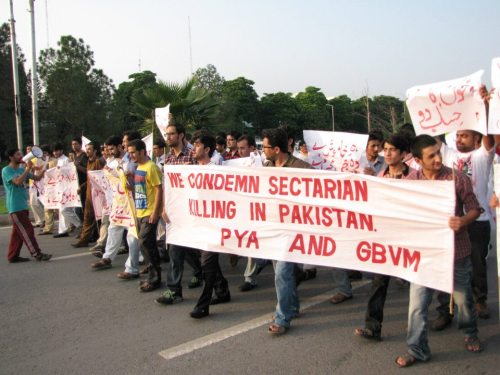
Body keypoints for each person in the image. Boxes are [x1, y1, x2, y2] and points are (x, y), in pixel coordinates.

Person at [395, 135, 482, 368]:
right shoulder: (411, 183)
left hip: (457, 251)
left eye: (438, 153)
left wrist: (462, 221)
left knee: (463, 300)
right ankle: (417, 348)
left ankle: (470, 332)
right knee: (417, 305)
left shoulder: (456, 178)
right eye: (431, 155)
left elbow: (475, 209)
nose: (437, 159)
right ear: (417, 160)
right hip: (424, 255)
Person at [354, 134, 413, 341]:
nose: (387, 153)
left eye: (392, 150)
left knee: (420, 287)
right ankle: (372, 326)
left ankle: (442, 312)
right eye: (385, 149)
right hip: (386, 238)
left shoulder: (416, 177)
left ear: (404, 154)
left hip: (411, 239)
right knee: (378, 283)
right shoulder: (379, 177)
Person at [435, 126, 496, 323]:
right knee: (449, 264)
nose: (460, 139)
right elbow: (430, 132)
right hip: (452, 221)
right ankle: (447, 306)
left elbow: (489, 139)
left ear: (475, 137)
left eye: (465, 136)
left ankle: (480, 300)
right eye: (458, 135)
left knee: (477, 263)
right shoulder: (447, 154)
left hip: (478, 220)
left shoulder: (482, 156)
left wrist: (486, 109)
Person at [262, 128, 313, 335]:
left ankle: (283, 318)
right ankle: (292, 306)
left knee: (282, 272)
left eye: (264, 147)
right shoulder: (266, 167)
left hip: (294, 230)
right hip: (274, 228)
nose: (262, 151)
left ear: (275, 149)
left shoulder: (302, 168)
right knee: (282, 272)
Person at [155, 123, 203, 305]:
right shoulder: (167, 159)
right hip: (175, 211)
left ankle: (198, 272)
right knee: (175, 247)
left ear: (181, 135)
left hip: (191, 210)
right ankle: (174, 290)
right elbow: (167, 185)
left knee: (188, 246)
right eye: (167, 135)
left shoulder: (192, 156)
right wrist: (164, 208)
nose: (168, 137)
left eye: (172, 134)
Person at [189, 132, 231, 318]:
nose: (193, 148)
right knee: (205, 260)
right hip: (196, 223)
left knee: (207, 262)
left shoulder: (216, 171)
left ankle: (203, 305)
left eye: (196, 145)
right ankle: (222, 289)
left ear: (207, 149)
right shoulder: (189, 170)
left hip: (213, 225)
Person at [123, 139, 163, 292]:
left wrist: (155, 212)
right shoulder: (139, 167)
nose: (130, 155)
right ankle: (153, 274)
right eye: (129, 152)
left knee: (144, 243)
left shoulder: (151, 167)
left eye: (133, 152)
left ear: (142, 151)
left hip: (149, 213)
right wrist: (130, 184)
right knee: (148, 245)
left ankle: (154, 278)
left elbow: (159, 189)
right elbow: (141, 189)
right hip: (140, 211)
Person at [2, 148, 52, 262]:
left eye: (21, 154)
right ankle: (37, 254)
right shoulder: (6, 170)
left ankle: (12, 256)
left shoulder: (20, 170)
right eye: (18, 154)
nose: (21, 156)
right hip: (15, 207)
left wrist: (44, 169)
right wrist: (28, 168)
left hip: (23, 206)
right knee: (28, 230)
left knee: (17, 233)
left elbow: (37, 178)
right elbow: (17, 182)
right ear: (11, 157)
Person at [71, 142, 104, 248]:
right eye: (86, 149)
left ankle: (101, 241)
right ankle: (84, 240)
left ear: (95, 151)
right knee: (87, 218)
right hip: (90, 194)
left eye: (89, 149)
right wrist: (82, 187)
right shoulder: (90, 162)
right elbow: (89, 178)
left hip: (98, 196)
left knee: (101, 220)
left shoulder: (99, 162)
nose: (87, 151)